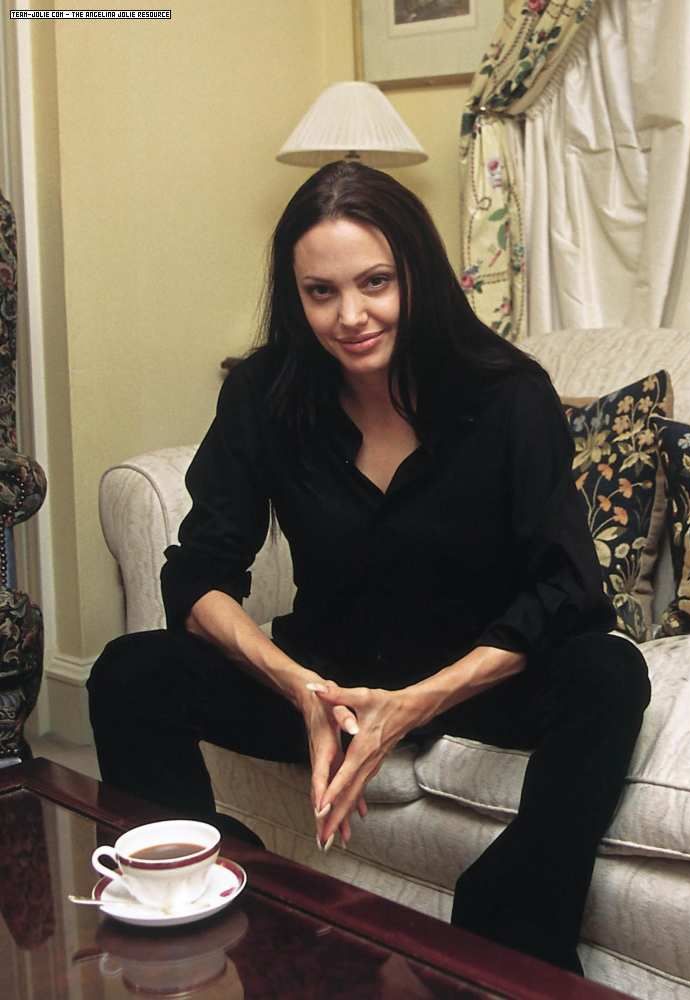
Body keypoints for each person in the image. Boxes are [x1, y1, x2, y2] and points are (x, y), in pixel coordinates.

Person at [88, 161, 650, 974]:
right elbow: (200, 571)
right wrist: (298, 686)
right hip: (332, 678)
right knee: (128, 672)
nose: (350, 316)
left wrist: (417, 703)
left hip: (473, 674)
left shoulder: (508, 397)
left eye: (375, 283)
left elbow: (565, 589)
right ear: (295, 294)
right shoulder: (265, 393)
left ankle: (508, 946)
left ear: (415, 274)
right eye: (321, 293)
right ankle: (231, 902)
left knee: (607, 672)